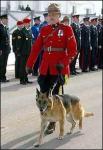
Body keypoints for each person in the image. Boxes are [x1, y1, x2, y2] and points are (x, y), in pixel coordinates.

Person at [26, 3, 77, 135]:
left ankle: (53, 122)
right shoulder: (44, 30)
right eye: (49, 14)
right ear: (47, 17)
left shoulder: (67, 29)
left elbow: (73, 51)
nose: (51, 16)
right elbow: (36, 48)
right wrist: (29, 64)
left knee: (56, 97)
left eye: (54, 14)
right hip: (45, 68)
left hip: (59, 69)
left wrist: (64, 63)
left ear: (59, 16)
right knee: (43, 96)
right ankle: (46, 117)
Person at [19, 18, 32, 85]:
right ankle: (22, 79)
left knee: (27, 66)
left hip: (28, 51)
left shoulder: (29, 31)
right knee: (22, 66)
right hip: (23, 52)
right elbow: (19, 43)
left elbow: (30, 42)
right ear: (24, 23)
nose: (28, 24)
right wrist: (19, 51)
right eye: (27, 23)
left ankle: (26, 78)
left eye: (29, 23)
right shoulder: (22, 31)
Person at [0, 14, 11, 82]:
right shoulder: (0, 28)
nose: (7, 20)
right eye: (5, 19)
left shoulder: (5, 27)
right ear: (1, 20)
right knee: (1, 64)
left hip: (6, 49)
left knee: (4, 64)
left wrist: (9, 48)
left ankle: (3, 77)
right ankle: (1, 77)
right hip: (2, 49)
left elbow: (7, 39)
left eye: (7, 19)